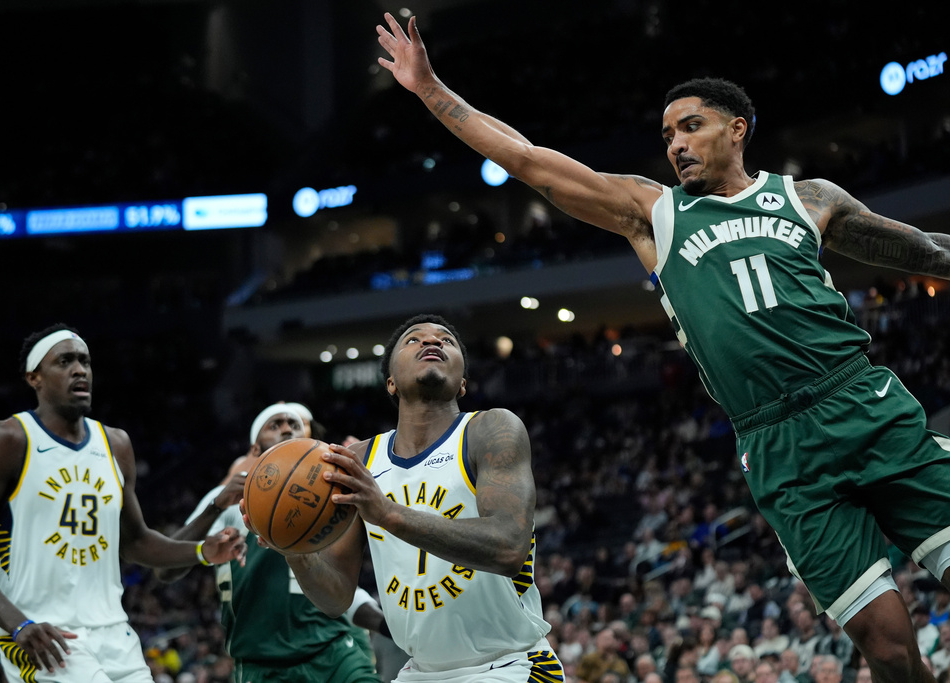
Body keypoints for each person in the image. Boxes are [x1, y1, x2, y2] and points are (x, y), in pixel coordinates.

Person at [376, 12, 950, 683]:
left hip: (863, 401)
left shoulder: (809, 199)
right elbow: (528, 160)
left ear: (737, 129)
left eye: (690, 127)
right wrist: (430, 88)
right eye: (667, 135)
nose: (675, 144)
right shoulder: (654, 212)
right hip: (779, 445)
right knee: (885, 646)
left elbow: (927, 249)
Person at [247, 314, 561, 681]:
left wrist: (387, 514)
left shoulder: (489, 430)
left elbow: (509, 549)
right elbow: (336, 598)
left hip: (511, 664)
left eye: (447, 340)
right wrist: (293, 549)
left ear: (462, 384)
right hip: (420, 672)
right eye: (414, 339)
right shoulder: (360, 460)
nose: (432, 342)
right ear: (391, 383)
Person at [0, 325, 246, 681]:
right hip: (41, 633)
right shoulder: (10, 438)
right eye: (65, 361)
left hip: (114, 632)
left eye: (85, 361)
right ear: (34, 377)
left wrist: (202, 550)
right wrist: (17, 624)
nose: (80, 370)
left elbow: (134, 542)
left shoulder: (116, 444)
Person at [154, 403, 382, 682]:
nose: (287, 428)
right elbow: (165, 570)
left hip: (333, 650)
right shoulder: (226, 499)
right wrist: (214, 506)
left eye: (295, 424)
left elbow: (343, 588)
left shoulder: (329, 497)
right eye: (275, 425)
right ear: (254, 450)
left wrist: (389, 624)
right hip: (263, 662)